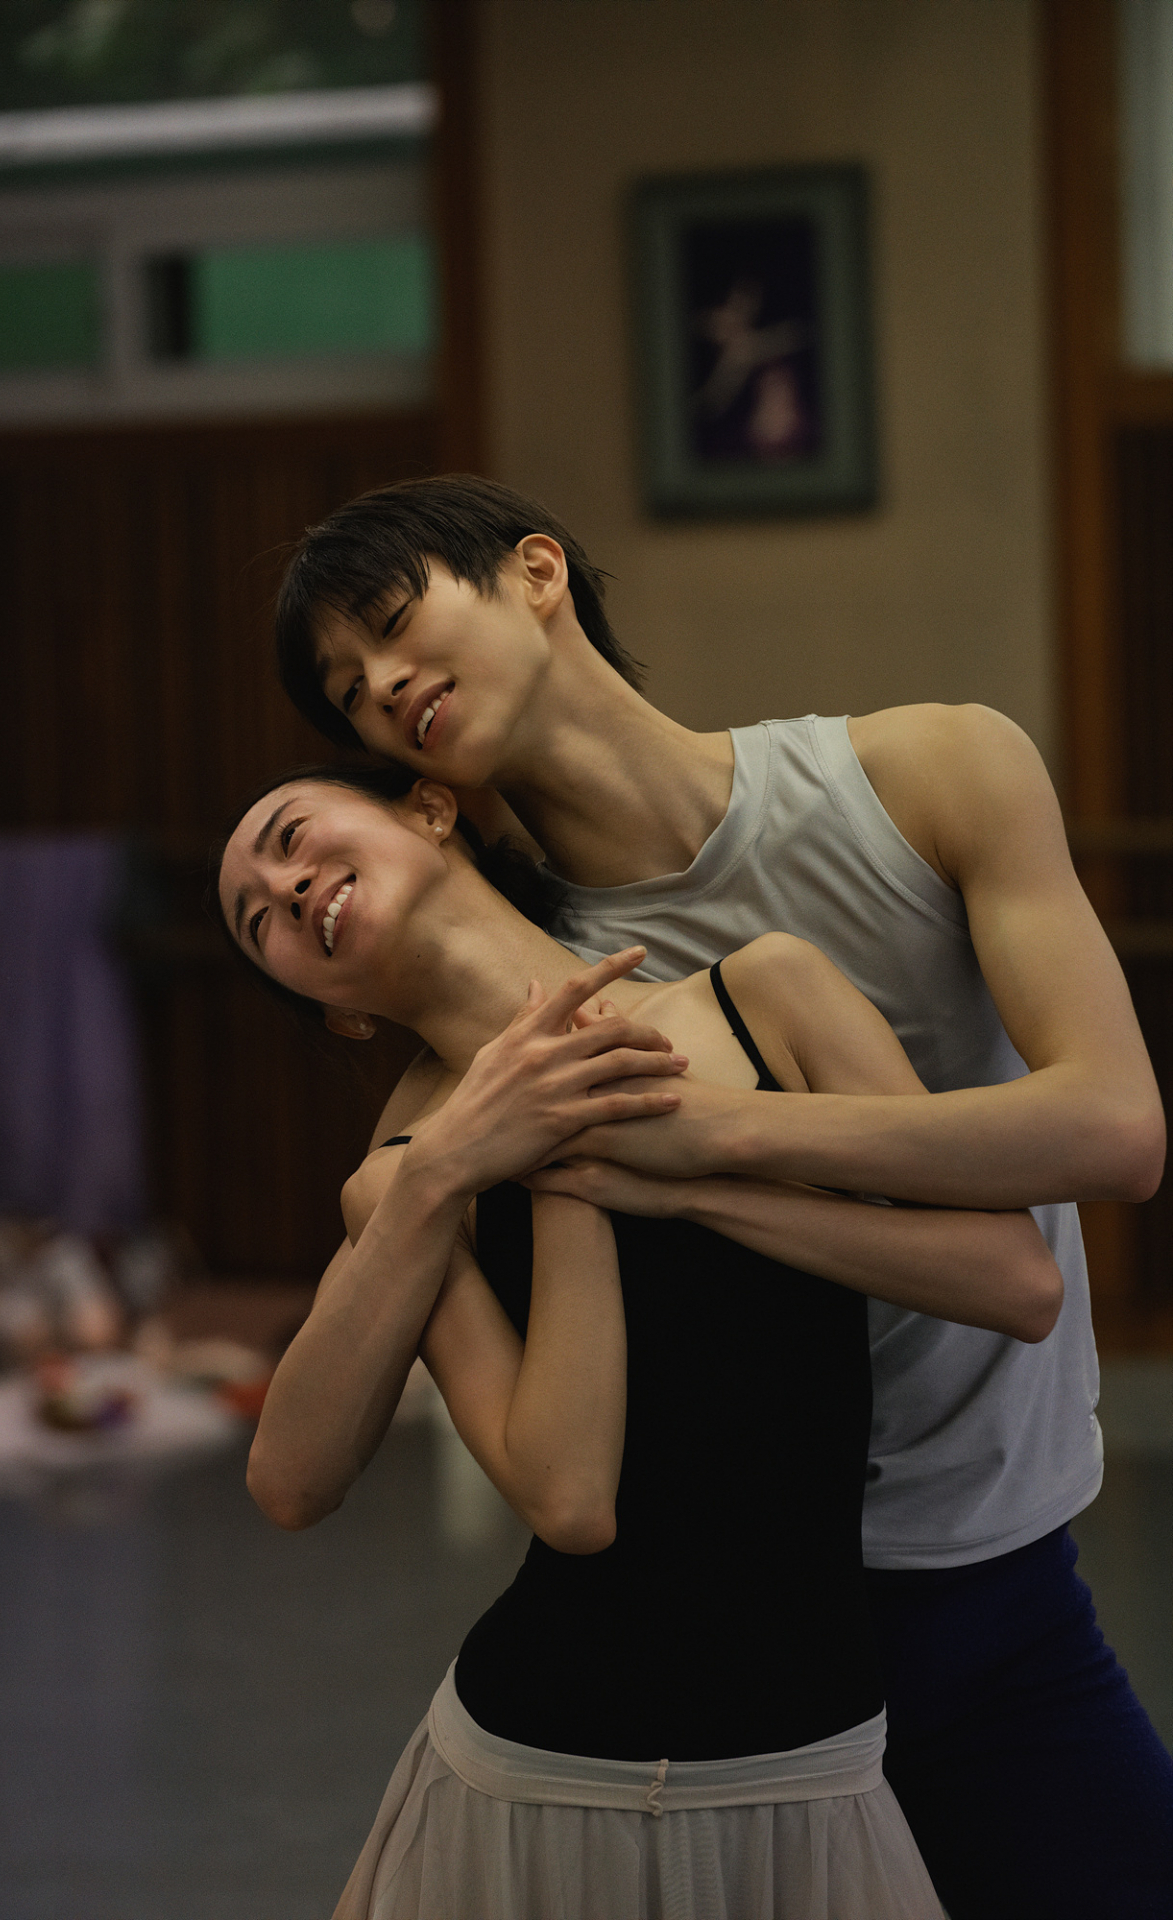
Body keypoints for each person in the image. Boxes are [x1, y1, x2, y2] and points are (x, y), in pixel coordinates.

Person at [269, 475, 1171, 1920]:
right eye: (349, 695)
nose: (380, 685)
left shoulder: (930, 773)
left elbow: (1115, 1134)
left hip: (987, 1576)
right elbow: (374, 1468)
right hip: (728, 1635)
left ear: (539, 572)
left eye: (391, 624)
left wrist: (715, 1148)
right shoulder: (515, 1035)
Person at [220, 762, 1066, 1919]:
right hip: (536, 1781)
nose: (283, 888)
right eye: (254, 918)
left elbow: (1014, 1280)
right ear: (339, 1011)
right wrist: (492, 1164)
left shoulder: (765, 996)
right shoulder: (404, 1186)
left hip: (811, 1765)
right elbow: (547, 1501)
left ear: (426, 808)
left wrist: (694, 1186)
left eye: (286, 836)